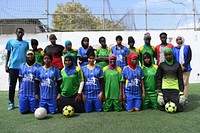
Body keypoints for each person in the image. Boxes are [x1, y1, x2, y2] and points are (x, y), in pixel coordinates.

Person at [5, 27, 29, 110]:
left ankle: (20, 102)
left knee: (22, 86)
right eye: (18, 32)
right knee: (12, 85)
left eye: (21, 32)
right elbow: (8, 54)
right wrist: (6, 65)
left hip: (23, 68)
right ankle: (11, 102)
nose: (20, 34)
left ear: (23, 33)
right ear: (16, 33)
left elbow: (27, 56)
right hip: (13, 67)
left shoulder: (26, 43)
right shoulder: (11, 42)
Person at [81, 48, 104, 113]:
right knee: (87, 111)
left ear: (94, 59)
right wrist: (82, 94)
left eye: (92, 58)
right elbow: (82, 82)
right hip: (87, 94)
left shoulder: (99, 68)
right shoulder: (83, 69)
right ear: (87, 59)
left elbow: (102, 81)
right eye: (89, 58)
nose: (91, 60)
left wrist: (101, 92)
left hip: (97, 94)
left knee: (99, 110)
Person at [173, 36, 192, 104]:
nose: (178, 41)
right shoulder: (174, 49)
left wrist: (184, 65)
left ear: (182, 39)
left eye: (180, 39)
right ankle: (179, 97)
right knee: (177, 84)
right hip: (177, 68)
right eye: (177, 39)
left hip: (186, 68)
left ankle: (185, 98)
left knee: (185, 84)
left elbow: (189, 58)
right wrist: (179, 66)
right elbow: (174, 59)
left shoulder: (187, 47)